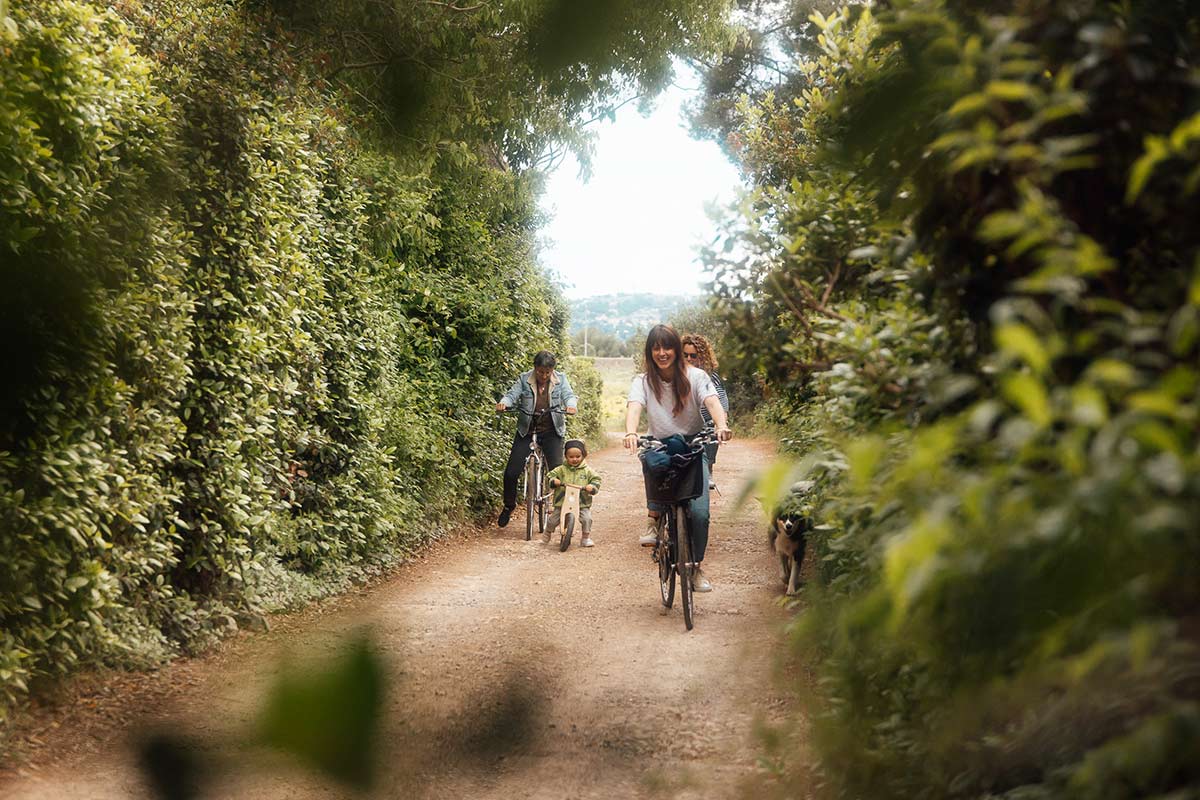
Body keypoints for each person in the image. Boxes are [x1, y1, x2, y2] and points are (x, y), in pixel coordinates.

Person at [623, 325, 732, 592]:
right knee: (651, 462)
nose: (662, 353)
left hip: (692, 447)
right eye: (656, 348)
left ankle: (694, 567)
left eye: (667, 347)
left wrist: (721, 425)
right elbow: (634, 406)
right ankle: (654, 518)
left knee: (700, 513)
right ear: (650, 352)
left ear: (676, 350)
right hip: (658, 446)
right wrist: (630, 432)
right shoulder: (643, 381)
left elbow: (713, 402)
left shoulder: (696, 376)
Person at [495, 351, 578, 527]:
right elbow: (512, 394)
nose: (544, 376)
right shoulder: (525, 379)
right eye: (540, 372)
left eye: (547, 372)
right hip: (527, 430)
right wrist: (504, 403)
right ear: (535, 368)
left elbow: (569, 395)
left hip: (551, 430)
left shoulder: (560, 379)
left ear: (552, 371)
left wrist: (570, 405)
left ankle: (561, 510)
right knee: (511, 472)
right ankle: (509, 506)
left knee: (557, 472)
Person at [681, 334, 729, 485]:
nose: (689, 359)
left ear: (702, 357)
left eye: (693, 355)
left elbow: (720, 401)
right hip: (683, 421)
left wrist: (721, 424)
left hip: (706, 421)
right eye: (685, 355)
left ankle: (708, 470)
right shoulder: (676, 376)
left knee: (711, 434)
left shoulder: (710, 377)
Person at [545, 439, 602, 547]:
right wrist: (554, 481)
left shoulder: (587, 471)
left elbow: (596, 479)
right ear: (566, 456)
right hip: (562, 502)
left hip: (581, 503)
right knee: (553, 520)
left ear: (583, 456)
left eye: (577, 456)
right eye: (571, 457)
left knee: (587, 519)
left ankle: (585, 537)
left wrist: (592, 487)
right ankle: (547, 534)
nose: (574, 459)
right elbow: (550, 475)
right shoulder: (561, 469)